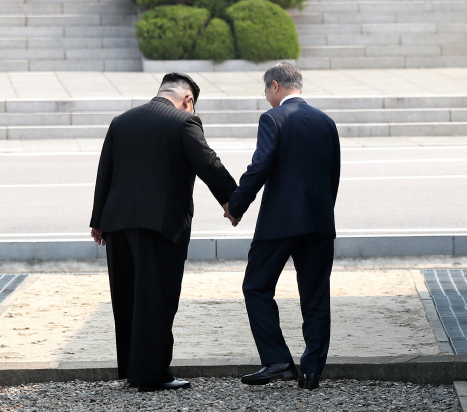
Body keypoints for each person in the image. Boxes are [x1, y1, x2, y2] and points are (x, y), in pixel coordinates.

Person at [90, 73, 237, 392]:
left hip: (117, 223)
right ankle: (153, 373)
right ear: (188, 100)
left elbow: (106, 169)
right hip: (161, 224)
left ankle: (133, 370)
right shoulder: (184, 122)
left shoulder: (122, 121)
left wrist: (97, 220)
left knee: (127, 297)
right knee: (157, 296)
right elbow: (208, 163)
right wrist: (232, 201)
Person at [225, 62, 340, 390]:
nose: (266, 97)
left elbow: (259, 166)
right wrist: (322, 213)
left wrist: (236, 205)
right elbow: (333, 174)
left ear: (275, 86)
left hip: (280, 223)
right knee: (316, 295)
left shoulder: (273, 118)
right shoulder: (326, 121)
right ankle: (313, 370)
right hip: (319, 222)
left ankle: (277, 359)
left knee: (256, 286)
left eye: (265, 90)